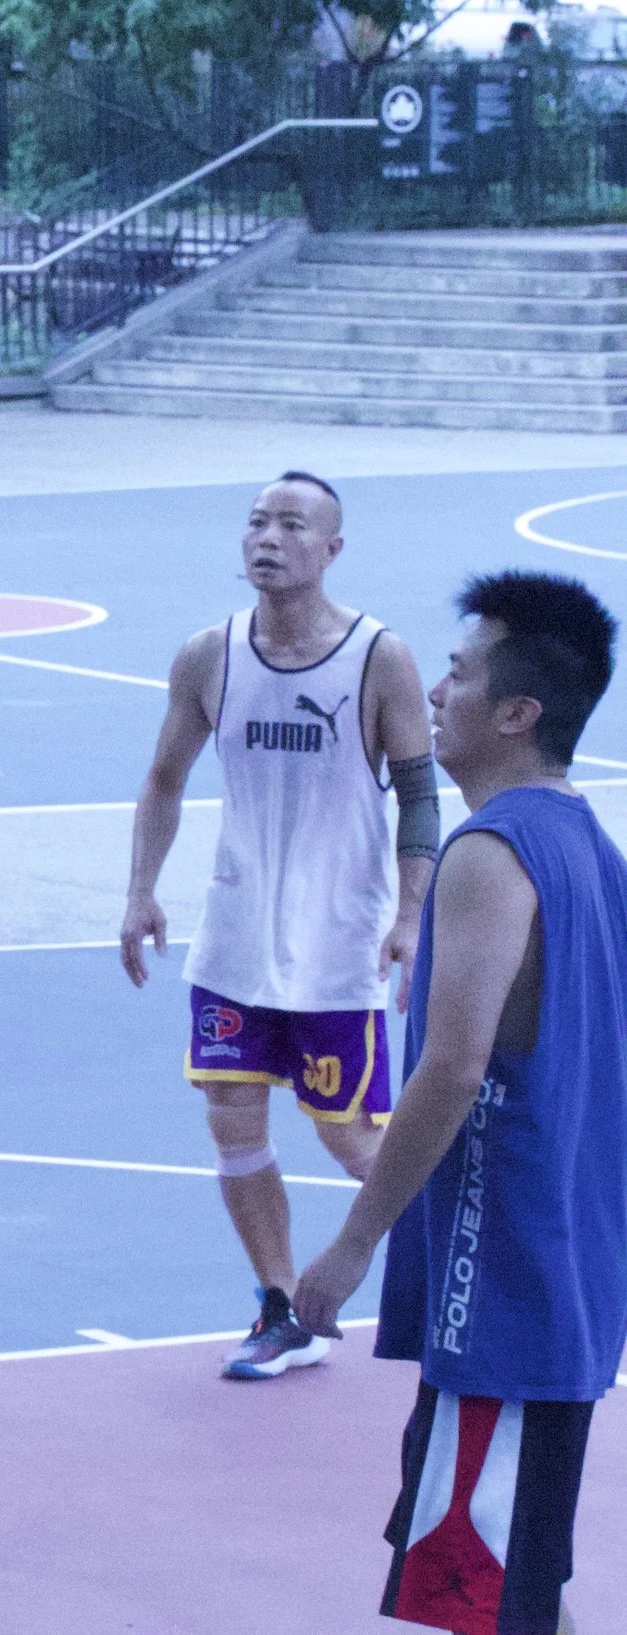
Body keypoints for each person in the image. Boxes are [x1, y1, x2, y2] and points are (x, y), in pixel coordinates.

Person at [297, 571, 625, 1635]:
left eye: (460, 672)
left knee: (481, 1603)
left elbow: (450, 1067)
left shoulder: (489, 853)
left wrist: (353, 1243)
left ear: (518, 711)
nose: (435, 691)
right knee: (519, 1588)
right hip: (563, 1273)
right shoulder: (590, 846)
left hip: (505, 1293)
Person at [121, 472, 436, 1381]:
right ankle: (279, 1304)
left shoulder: (378, 657)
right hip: (234, 940)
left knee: (353, 1138)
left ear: (332, 548)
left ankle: (470, 1269)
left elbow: (419, 794)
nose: (267, 537)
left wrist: (412, 912)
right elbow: (164, 778)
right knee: (231, 1116)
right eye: (257, 521)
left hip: (337, 941)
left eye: (291, 524)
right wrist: (140, 890)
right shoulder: (208, 655)